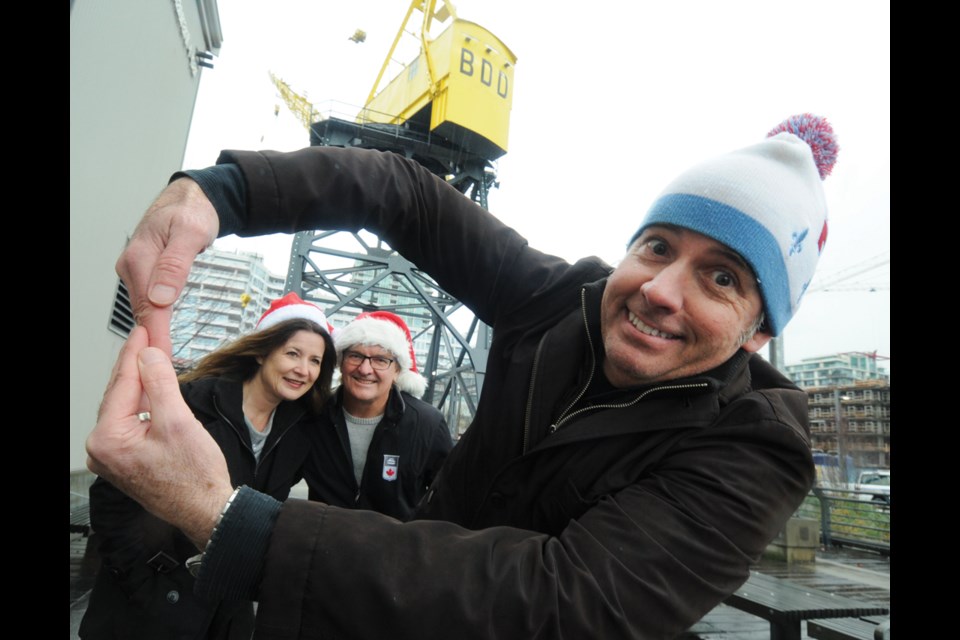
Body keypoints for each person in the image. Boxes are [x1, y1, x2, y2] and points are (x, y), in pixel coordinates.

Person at [88, 114, 838, 639]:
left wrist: (228, 519)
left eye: (721, 277)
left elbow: (561, 604)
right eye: (656, 246)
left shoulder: (757, 450)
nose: (661, 290)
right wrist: (225, 192)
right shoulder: (560, 300)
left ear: (760, 331)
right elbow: (408, 195)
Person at [79, 293, 337, 640]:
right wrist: (144, 586)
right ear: (262, 351)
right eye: (292, 353)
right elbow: (112, 494)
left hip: (223, 616)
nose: (303, 369)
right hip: (142, 609)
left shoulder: (299, 433)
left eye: (315, 361)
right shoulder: (191, 403)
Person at [302, 310, 452, 520]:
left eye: (381, 360)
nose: (365, 369)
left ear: (398, 371)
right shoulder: (314, 416)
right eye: (355, 355)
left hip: (395, 550)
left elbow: (449, 502)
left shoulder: (428, 424)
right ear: (341, 362)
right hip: (322, 547)